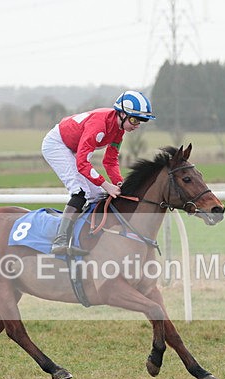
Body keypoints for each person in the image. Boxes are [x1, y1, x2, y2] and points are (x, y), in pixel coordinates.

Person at [41, 90, 155, 255]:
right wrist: (106, 184)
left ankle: (85, 236)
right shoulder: (99, 125)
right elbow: (82, 163)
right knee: (80, 191)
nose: (136, 126)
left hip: (72, 147)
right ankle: (60, 240)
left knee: (97, 195)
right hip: (57, 145)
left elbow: (110, 161)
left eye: (140, 122)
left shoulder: (119, 131)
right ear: (122, 114)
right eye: (134, 120)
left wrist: (119, 184)